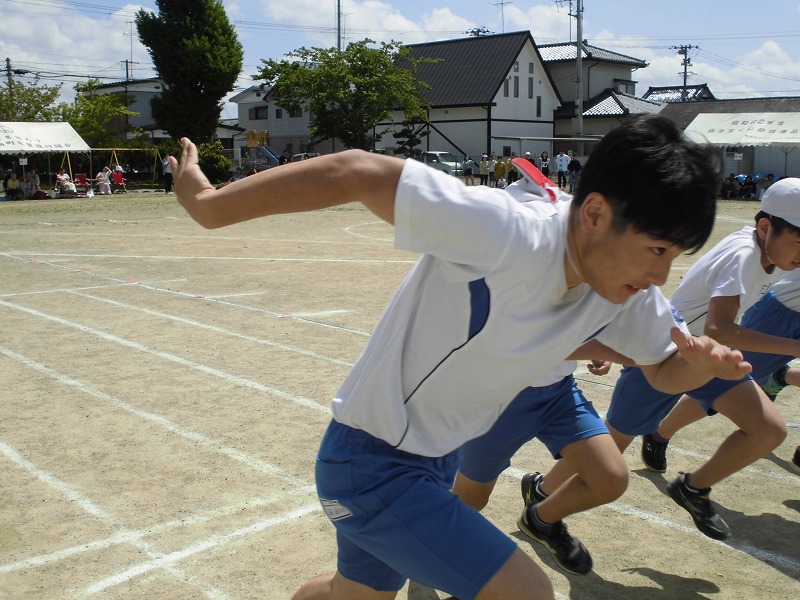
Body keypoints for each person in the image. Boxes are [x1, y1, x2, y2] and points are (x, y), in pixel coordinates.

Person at [170, 115, 749, 600]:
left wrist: (702, 366)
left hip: (433, 460)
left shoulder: (629, 291)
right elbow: (354, 170)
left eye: (672, 255)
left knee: (354, 595)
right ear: (594, 214)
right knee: (527, 593)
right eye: (655, 249)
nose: (660, 275)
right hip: (371, 463)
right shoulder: (507, 233)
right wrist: (207, 204)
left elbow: (664, 370)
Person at [535, 179, 800, 544]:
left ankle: (692, 488)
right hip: (664, 355)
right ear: (765, 227)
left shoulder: (775, 254)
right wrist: (794, 346)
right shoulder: (743, 254)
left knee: (769, 429)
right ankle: (543, 494)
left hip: (708, 358)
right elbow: (720, 327)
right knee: (609, 448)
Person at [652, 267, 800, 476]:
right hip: (784, 310)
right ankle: (661, 433)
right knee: (727, 378)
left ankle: (779, 377)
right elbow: (772, 246)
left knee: (730, 377)